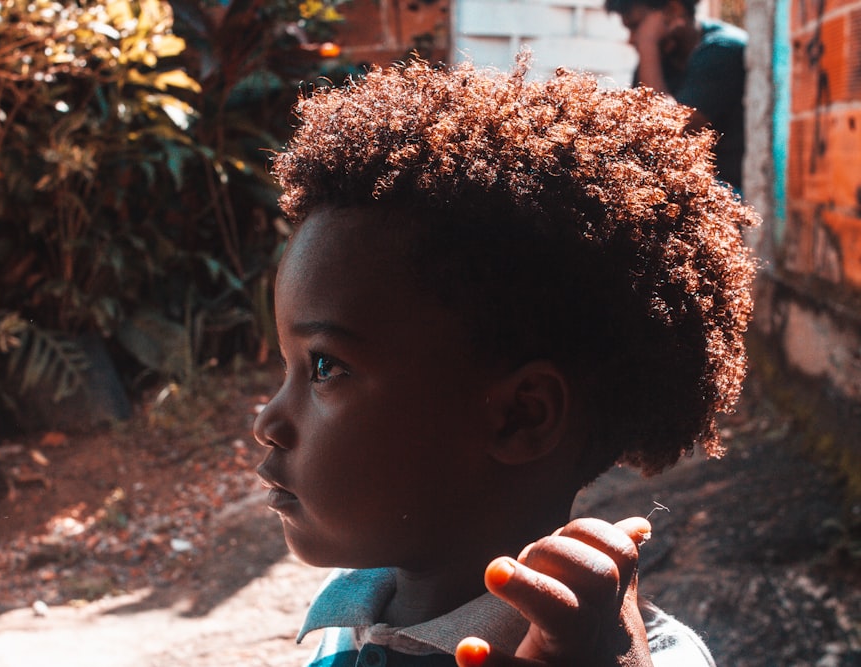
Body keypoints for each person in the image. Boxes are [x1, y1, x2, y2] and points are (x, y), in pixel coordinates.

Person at [254, 52, 757, 666]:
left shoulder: (644, 658)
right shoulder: (350, 627)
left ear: (520, 415)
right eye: (289, 366)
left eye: (326, 366)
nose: (269, 421)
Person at [605, 0, 747, 192]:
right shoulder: (661, 61)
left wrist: (648, 43)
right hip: (685, 185)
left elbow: (666, 132)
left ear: (673, 10)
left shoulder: (722, 49)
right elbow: (636, 136)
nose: (632, 39)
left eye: (636, 26)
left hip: (732, 193)